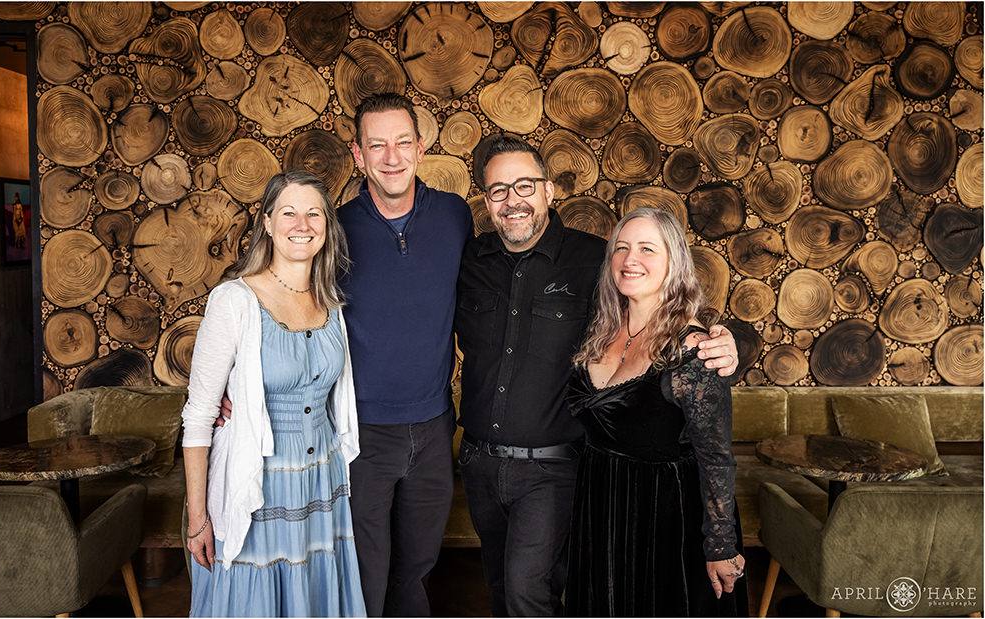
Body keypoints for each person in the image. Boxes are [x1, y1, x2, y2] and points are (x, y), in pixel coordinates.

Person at [455, 137, 741, 616]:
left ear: (549, 192)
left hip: (554, 467)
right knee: (504, 587)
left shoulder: (595, 259)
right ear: (487, 201)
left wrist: (729, 341)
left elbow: (663, 294)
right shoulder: (468, 262)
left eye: (524, 185)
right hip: (481, 463)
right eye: (498, 189)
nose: (512, 199)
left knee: (529, 591)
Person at [182, 170, 366, 617]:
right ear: (267, 222)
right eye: (288, 212)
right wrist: (198, 517)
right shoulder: (234, 300)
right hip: (258, 482)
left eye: (313, 213)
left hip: (321, 478)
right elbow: (200, 415)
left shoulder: (331, 302)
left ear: (326, 225)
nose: (301, 224)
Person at [565, 207, 749, 617]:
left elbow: (715, 456)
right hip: (602, 505)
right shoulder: (600, 329)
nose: (630, 260)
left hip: (665, 518)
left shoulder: (694, 349)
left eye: (647, 249)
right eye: (622, 248)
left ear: (673, 263)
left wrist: (719, 545)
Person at [338, 93, 473, 616]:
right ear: (358, 155)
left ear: (421, 147)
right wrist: (236, 382)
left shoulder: (455, 216)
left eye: (401, 143)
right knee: (366, 572)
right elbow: (278, 299)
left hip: (436, 426)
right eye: (377, 146)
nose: (391, 158)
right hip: (363, 433)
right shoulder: (334, 228)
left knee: (415, 573)